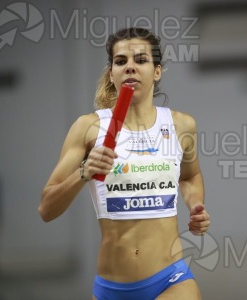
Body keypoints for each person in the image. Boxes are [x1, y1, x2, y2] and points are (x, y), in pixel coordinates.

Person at [38, 27, 210, 300]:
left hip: (171, 278)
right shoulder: (89, 128)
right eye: (121, 62)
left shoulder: (180, 125)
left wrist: (195, 205)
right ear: (111, 73)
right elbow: (46, 209)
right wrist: (83, 173)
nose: (130, 67)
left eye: (140, 60)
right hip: (111, 289)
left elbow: (190, 177)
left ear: (157, 71)